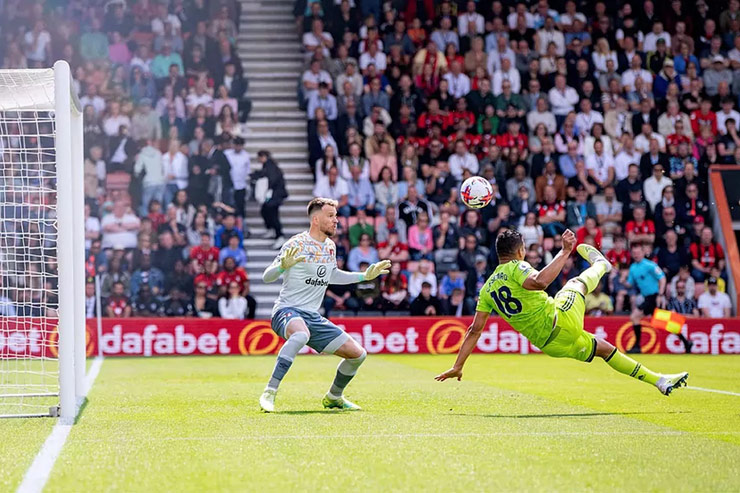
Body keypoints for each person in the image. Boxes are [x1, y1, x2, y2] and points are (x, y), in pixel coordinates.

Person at [436, 229, 688, 397]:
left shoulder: (488, 287)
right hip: (560, 320)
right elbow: (540, 281)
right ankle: (602, 265)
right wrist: (565, 251)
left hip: (550, 345)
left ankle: (659, 381)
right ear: (520, 251)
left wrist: (458, 366)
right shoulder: (516, 266)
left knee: (605, 349)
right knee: (574, 284)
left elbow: (474, 329)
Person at [258, 198, 391, 412]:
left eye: (336, 216)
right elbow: (266, 277)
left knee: (358, 355)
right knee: (301, 335)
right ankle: (270, 392)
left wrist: (364, 276)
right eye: (331, 216)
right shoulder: (296, 243)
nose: (336, 221)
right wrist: (282, 267)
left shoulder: (330, 247)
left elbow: (333, 275)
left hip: (313, 316)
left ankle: (334, 397)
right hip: (286, 310)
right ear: (316, 219)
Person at [625, 242, 667, 354]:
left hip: (654, 297)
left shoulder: (650, 265)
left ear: (643, 252)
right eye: (634, 253)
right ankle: (686, 342)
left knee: (635, 316)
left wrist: (660, 295)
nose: (636, 255)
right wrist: (622, 279)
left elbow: (662, 278)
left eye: (638, 252)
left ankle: (637, 346)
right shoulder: (633, 268)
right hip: (647, 298)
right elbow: (629, 284)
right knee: (665, 322)